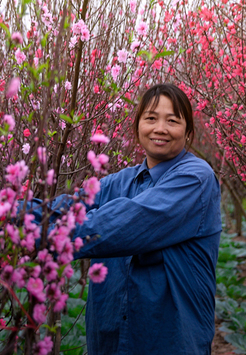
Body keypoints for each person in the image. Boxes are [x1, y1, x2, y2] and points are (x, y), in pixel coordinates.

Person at [32, 83, 221, 354]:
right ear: (137, 127)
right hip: (109, 337)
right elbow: (68, 206)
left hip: (167, 340)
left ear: (188, 132)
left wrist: (34, 233)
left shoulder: (195, 178)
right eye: (151, 118)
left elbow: (122, 225)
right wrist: (2, 212)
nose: (160, 128)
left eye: (173, 121)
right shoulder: (122, 181)